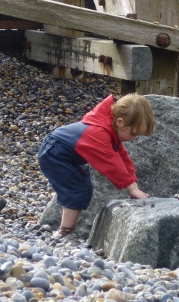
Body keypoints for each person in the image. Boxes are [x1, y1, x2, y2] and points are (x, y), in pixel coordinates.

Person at [38, 93, 155, 239]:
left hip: (66, 155)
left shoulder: (110, 131)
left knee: (84, 190)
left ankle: (68, 230)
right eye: (133, 133)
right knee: (75, 190)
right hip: (54, 153)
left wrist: (134, 184)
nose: (133, 138)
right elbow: (111, 163)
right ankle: (64, 232)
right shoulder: (98, 132)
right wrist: (131, 187)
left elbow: (123, 158)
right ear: (120, 122)